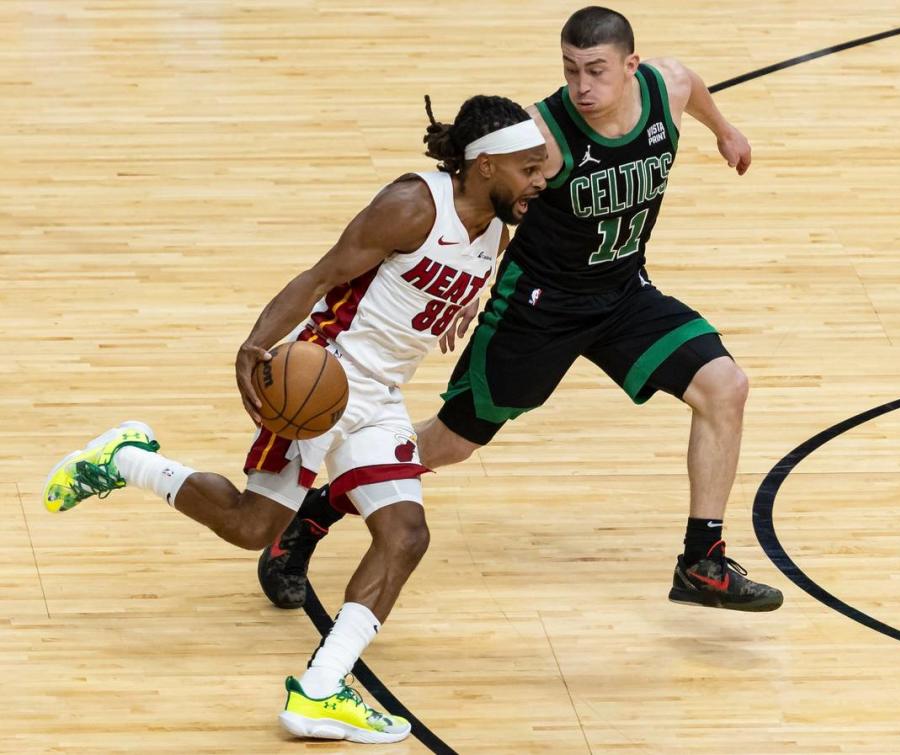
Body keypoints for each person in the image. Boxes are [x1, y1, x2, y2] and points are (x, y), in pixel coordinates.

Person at [41, 94, 548, 744]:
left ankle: (319, 690)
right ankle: (125, 459)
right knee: (253, 527)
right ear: (484, 166)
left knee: (406, 534)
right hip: (325, 379)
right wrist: (256, 344)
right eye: (528, 167)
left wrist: (445, 312)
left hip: (380, 396)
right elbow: (318, 277)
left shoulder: (496, 230)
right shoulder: (413, 204)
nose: (540, 179)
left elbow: (426, 287)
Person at [261, 5, 783, 614]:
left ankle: (702, 562)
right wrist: (465, 282)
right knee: (450, 446)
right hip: (538, 307)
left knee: (725, 386)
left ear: (631, 66)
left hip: (622, 293)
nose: (582, 87)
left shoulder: (666, 86)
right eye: (570, 71)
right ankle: (310, 519)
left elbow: (691, 86)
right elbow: (487, 203)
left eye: (596, 71)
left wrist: (725, 131)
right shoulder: (542, 136)